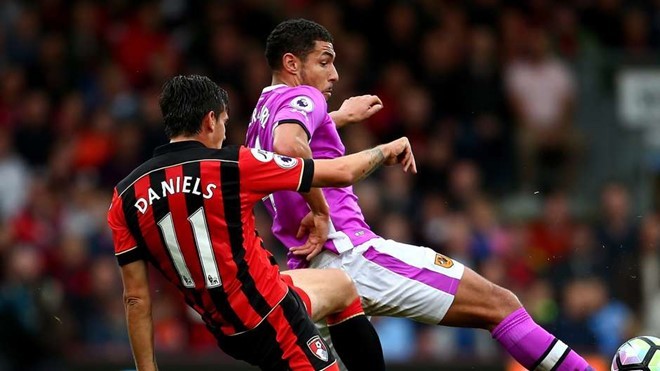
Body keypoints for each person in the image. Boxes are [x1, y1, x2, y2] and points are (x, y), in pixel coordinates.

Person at [245, 19, 594, 371]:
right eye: (324, 61)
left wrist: (339, 117)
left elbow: (286, 143)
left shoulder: (259, 117)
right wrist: (320, 211)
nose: (334, 74)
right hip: (351, 255)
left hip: (315, 272)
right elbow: (290, 145)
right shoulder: (302, 97)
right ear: (292, 64)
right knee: (499, 304)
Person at [108, 75, 417, 370]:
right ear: (210, 120)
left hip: (226, 325)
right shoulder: (232, 166)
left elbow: (135, 297)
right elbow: (338, 173)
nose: (225, 133)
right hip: (271, 316)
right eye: (225, 123)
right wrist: (384, 151)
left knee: (340, 286)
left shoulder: (125, 195)